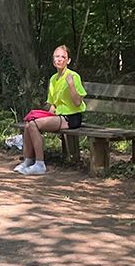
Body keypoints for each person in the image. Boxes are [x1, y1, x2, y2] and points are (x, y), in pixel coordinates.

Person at [15, 45, 87, 175]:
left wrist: (71, 85)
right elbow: (52, 105)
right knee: (29, 124)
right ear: (53, 59)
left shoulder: (73, 76)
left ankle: (40, 164)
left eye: (63, 57)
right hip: (59, 116)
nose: (59, 59)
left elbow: (77, 103)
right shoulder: (53, 79)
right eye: (56, 56)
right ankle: (28, 161)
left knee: (34, 124)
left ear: (68, 61)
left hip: (72, 117)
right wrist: (45, 117)